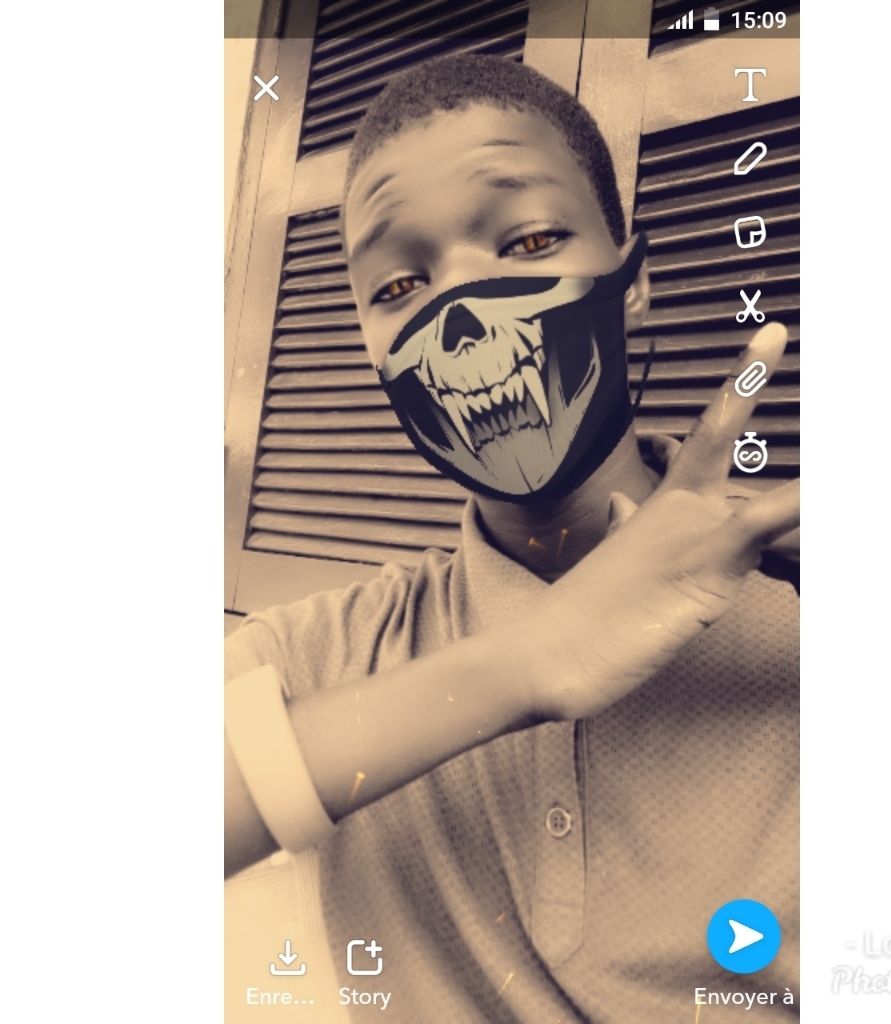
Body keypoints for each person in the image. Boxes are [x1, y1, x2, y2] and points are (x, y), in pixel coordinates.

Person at [226, 54, 800, 1022]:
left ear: (633, 281)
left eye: (530, 239)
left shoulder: (804, 616)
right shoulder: (334, 650)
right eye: (397, 284)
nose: (456, 319)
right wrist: (527, 663)